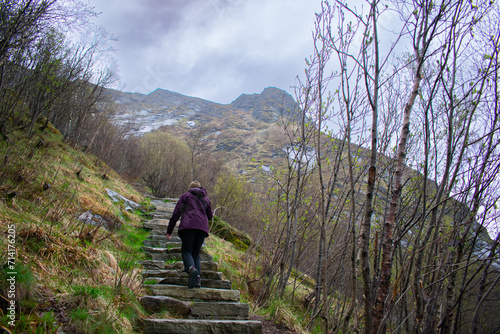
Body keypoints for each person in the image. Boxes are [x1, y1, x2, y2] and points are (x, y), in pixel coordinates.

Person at [166, 181, 213, 289]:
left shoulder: (186, 196)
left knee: (187, 251)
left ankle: (191, 269)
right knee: (196, 253)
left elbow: (176, 213)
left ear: (190, 188)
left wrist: (169, 230)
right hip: (202, 229)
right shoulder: (206, 199)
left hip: (188, 226)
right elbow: (210, 216)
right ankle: (197, 280)